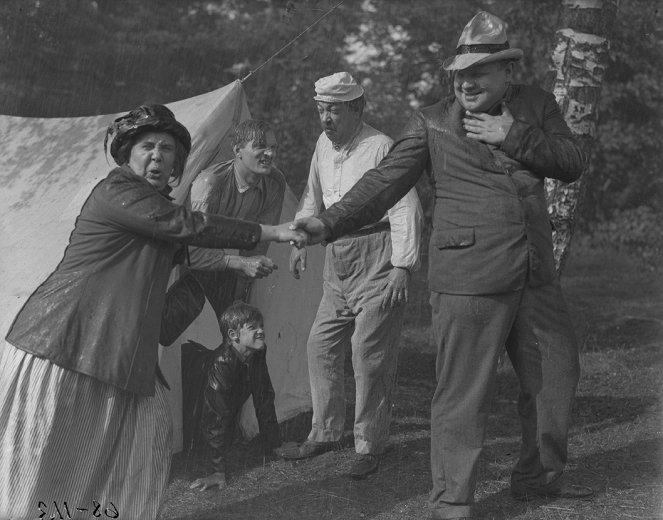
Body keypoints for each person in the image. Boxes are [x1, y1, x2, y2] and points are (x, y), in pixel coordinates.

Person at [291, 12, 593, 519]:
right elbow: (383, 182)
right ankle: (452, 501)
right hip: (468, 278)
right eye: (459, 73)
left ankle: (537, 477)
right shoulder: (431, 121)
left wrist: (512, 134)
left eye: (479, 72)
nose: (466, 82)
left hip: (535, 274)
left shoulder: (536, 107)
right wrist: (327, 222)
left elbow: (572, 161)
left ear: (507, 73)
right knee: (462, 394)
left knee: (556, 375)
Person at [0, 104, 302, 520]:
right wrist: (270, 231)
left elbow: (194, 251)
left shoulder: (158, 206)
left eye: (167, 149)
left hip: (120, 351)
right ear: (127, 156)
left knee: (139, 455)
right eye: (147, 147)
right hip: (65, 341)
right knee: (41, 467)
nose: (158, 156)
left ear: (178, 161)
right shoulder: (118, 191)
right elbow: (190, 227)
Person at [281, 72, 423, 480]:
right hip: (337, 258)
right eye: (321, 109)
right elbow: (312, 196)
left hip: (377, 255)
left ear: (357, 108)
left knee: (368, 353)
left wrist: (402, 266)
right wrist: (298, 244)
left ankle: (369, 444)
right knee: (319, 345)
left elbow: (405, 208)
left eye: (335, 110)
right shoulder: (323, 145)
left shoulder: (380, 146)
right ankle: (325, 432)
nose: (326, 118)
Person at [188, 119, 286, 318]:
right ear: (237, 151)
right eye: (260, 147)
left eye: (273, 148)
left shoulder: (274, 183)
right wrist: (240, 263)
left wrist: (240, 294)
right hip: (188, 262)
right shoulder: (210, 184)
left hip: (230, 270)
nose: (270, 154)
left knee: (242, 325)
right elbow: (192, 252)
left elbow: (260, 243)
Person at [188, 302, 280, 492]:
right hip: (191, 379)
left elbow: (263, 397)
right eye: (253, 327)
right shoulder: (222, 363)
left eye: (261, 325)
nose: (261, 331)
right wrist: (218, 471)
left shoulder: (258, 351)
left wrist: (274, 446)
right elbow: (215, 417)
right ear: (233, 335)